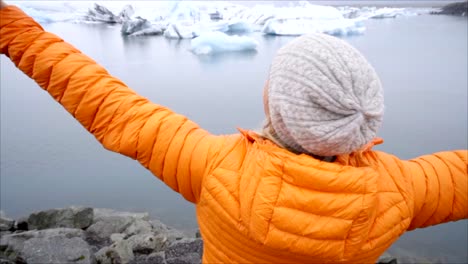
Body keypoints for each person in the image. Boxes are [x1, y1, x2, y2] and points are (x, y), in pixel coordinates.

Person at [1, 2, 467, 263]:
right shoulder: (399, 191)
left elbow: (106, 104)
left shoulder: (215, 167)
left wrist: (13, 31)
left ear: (276, 106)